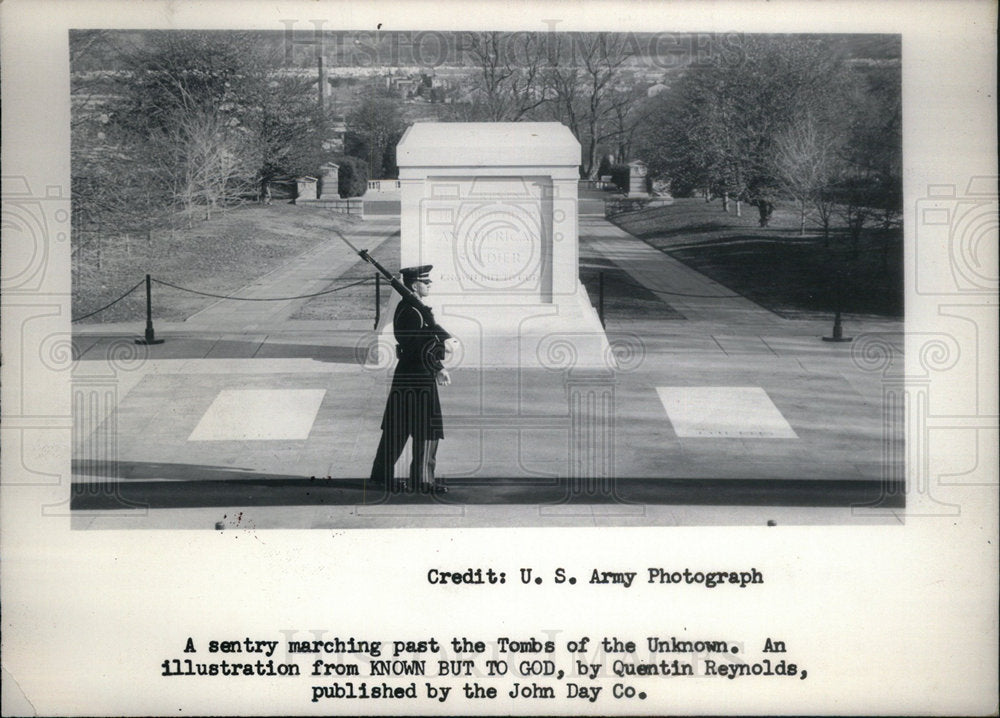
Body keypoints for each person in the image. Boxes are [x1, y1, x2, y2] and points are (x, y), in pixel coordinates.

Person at [368, 265, 451, 493]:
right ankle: (421, 480)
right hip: (418, 376)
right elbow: (417, 346)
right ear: (415, 285)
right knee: (422, 428)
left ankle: (384, 476)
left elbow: (426, 339)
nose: (430, 285)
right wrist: (438, 367)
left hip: (410, 374)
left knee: (401, 426)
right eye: (426, 282)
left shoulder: (414, 309)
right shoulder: (411, 312)